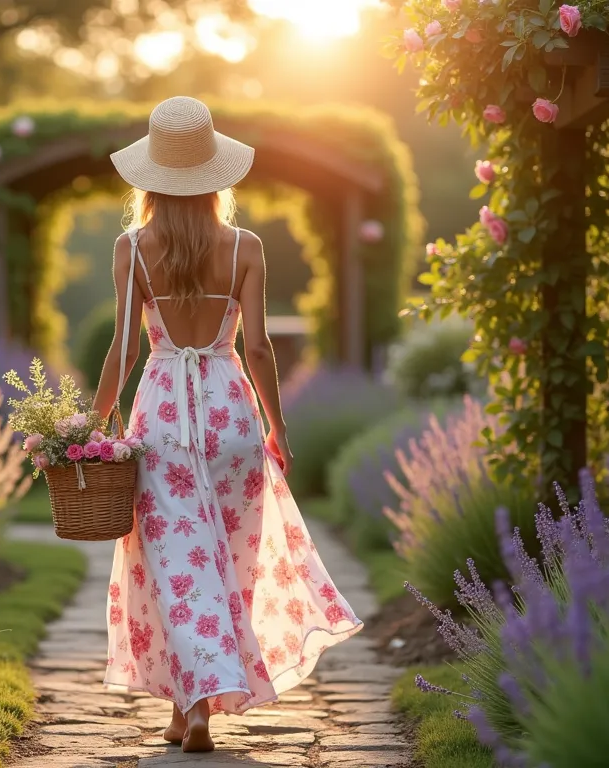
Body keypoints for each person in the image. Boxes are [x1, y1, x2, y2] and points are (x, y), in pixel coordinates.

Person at [91, 96, 363, 754]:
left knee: (174, 565)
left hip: (161, 418)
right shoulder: (245, 245)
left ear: (152, 177)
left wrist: (90, 427)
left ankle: (194, 706)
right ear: (215, 175)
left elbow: (126, 349)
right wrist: (278, 427)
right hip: (230, 416)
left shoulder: (133, 246)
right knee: (228, 563)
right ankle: (194, 706)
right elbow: (260, 349)